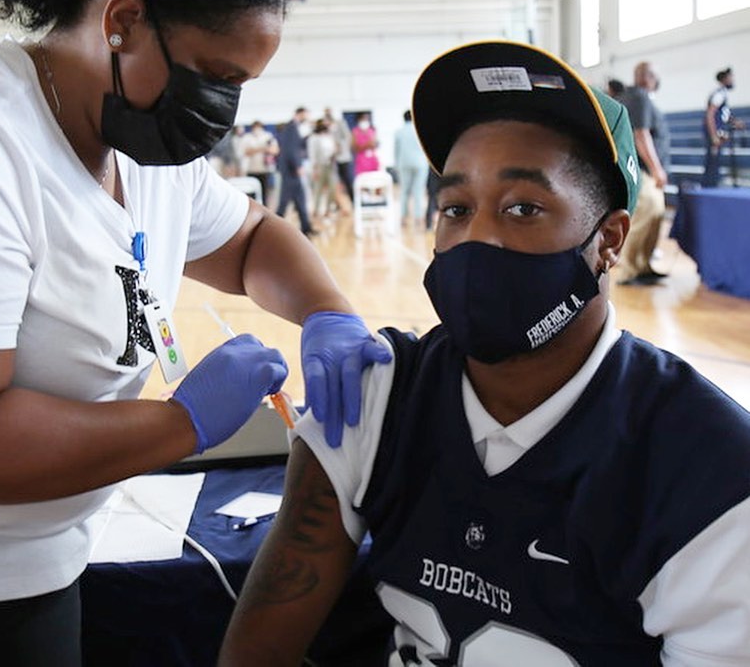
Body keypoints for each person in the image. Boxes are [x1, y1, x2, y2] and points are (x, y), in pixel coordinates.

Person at [0, 0, 391, 666]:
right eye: (214, 75)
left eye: (241, 88)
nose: (221, 109)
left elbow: (252, 238)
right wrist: (177, 424)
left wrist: (328, 311)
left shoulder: (140, 144)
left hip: (43, 558)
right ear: (122, 21)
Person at [218, 41, 750, 667]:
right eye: (455, 209)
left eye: (523, 207)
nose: (477, 239)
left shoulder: (711, 473)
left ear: (608, 240)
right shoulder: (374, 395)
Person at [614, 61, 670, 286]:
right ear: (648, 78)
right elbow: (641, 135)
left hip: (642, 171)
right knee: (645, 216)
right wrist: (657, 169)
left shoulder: (631, 97)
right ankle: (629, 269)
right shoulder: (639, 97)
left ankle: (644, 266)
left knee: (655, 216)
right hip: (644, 171)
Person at [275, 106, 316, 236]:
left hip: (291, 169)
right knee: (284, 201)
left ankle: (306, 227)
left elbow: (297, 146)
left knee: (300, 198)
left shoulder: (294, 128)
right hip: (290, 170)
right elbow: (291, 150)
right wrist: (297, 166)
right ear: (300, 113)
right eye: (306, 114)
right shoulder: (292, 127)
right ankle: (273, 228)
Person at [702, 67, 745, 188]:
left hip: (718, 133)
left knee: (715, 163)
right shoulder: (719, 94)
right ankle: (708, 189)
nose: (732, 80)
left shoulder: (723, 95)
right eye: (730, 77)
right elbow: (710, 115)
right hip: (714, 134)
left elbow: (724, 114)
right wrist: (714, 136)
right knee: (712, 164)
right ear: (724, 79)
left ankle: (711, 187)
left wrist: (734, 121)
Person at [393, 109, 429, 227]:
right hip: (421, 163)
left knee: (404, 191)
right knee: (418, 190)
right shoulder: (420, 130)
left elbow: (396, 151)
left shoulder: (399, 132)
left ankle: (403, 217)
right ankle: (418, 218)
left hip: (404, 163)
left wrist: (396, 166)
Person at [238, 120, 278, 205]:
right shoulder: (247, 137)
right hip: (251, 169)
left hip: (264, 169)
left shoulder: (268, 136)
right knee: (252, 193)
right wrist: (262, 149)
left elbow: (275, 150)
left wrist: (260, 149)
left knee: (265, 193)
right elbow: (245, 151)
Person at [307, 118, 337, 220]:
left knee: (332, 188)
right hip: (319, 166)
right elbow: (312, 154)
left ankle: (328, 210)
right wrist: (315, 169)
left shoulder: (330, 136)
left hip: (330, 165)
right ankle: (315, 211)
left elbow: (333, 149)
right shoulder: (314, 138)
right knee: (318, 190)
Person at [325, 107, 355, 204]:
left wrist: (340, 147)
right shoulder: (329, 128)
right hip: (335, 159)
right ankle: (339, 205)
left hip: (344, 158)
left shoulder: (341, 123)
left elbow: (348, 137)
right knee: (337, 183)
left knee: (348, 181)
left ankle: (354, 201)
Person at [351, 111, 380, 175]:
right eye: (364, 119)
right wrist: (366, 145)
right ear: (359, 120)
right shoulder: (355, 132)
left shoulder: (371, 130)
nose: (366, 121)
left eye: (367, 119)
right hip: (362, 161)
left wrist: (375, 144)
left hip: (373, 160)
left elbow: (376, 144)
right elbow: (354, 148)